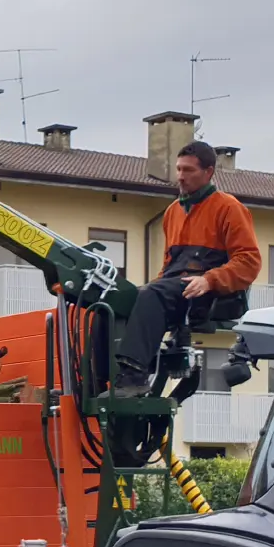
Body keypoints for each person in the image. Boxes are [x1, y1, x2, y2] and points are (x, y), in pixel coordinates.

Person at [112, 141, 262, 396]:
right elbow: (170, 266)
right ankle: (103, 377)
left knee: (152, 294)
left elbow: (249, 262)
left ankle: (135, 376)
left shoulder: (229, 208)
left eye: (189, 170)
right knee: (118, 299)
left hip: (212, 294)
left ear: (208, 172)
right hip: (177, 287)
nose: (181, 176)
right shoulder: (173, 212)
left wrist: (210, 280)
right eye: (179, 169)